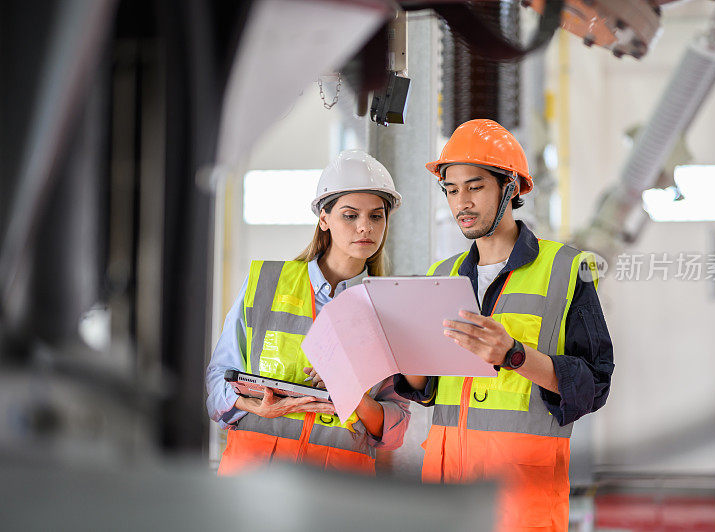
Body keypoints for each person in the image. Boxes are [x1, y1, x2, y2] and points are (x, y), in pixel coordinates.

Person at [393, 120, 614, 531]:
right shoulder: (441, 274)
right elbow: (425, 388)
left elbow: (593, 386)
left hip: (518, 497)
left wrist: (513, 356)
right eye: (452, 190)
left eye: (475, 187)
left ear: (510, 187)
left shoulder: (567, 269)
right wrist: (399, 350)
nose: (462, 202)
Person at [207, 149, 410, 476]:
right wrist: (251, 405)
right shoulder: (267, 284)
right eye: (349, 215)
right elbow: (218, 380)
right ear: (324, 218)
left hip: (339, 489)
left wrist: (353, 394)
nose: (364, 227)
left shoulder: (391, 308)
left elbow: (395, 427)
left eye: (376, 215)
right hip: (253, 480)